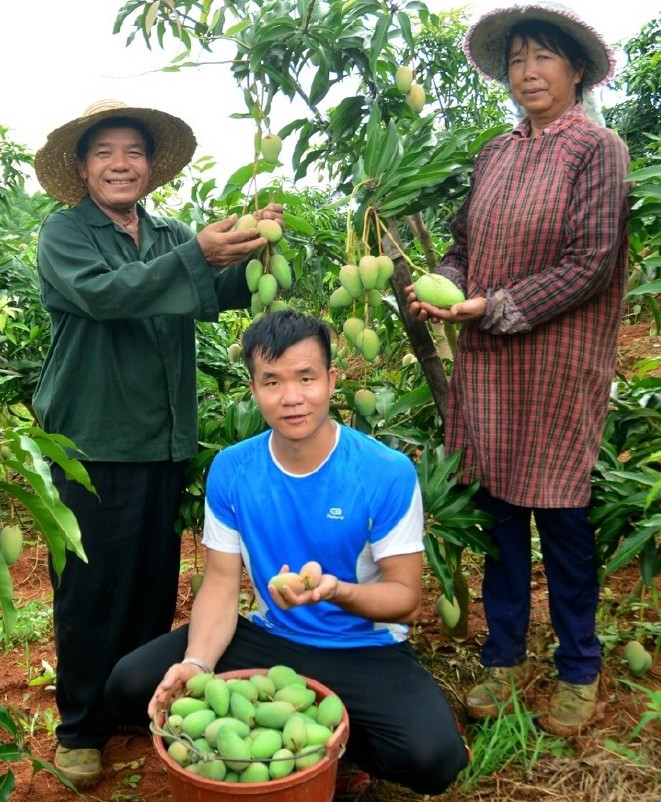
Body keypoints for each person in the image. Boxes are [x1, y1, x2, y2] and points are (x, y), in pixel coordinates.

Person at [105, 309, 470, 796]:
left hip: (362, 648)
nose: (292, 397)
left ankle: (337, 750)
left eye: (306, 378)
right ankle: (288, 732)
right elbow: (219, 582)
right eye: (272, 381)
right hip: (269, 635)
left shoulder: (386, 471)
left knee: (434, 758)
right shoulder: (233, 469)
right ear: (254, 389)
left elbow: (405, 597)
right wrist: (196, 664)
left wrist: (336, 591)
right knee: (129, 684)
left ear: (331, 380)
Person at [32, 99, 284, 788]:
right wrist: (197, 256)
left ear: (150, 166)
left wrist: (257, 247)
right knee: (89, 589)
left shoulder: (170, 233)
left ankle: (134, 703)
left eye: (133, 152)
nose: (121, 163)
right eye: (105, 152)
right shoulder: (65, 235)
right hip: (92, 441)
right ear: (82, 167)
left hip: (163, 437)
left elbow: (216, 292)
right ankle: (81, 727)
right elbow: (108, 297)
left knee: (150, 583)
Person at [407, 3, 630, 735]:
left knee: (562, 520)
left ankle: (577, 668)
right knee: (497, 513)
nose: (527, 73)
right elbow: (464, 244)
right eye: (515, 61)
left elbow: (590, 262)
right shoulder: (496, 152)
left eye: (542, 59)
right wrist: (439, 281)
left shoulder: (596, 149)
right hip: (489, 368)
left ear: (574, 71)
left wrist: (494, 306)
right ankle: (500, 657)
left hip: (557, 366)